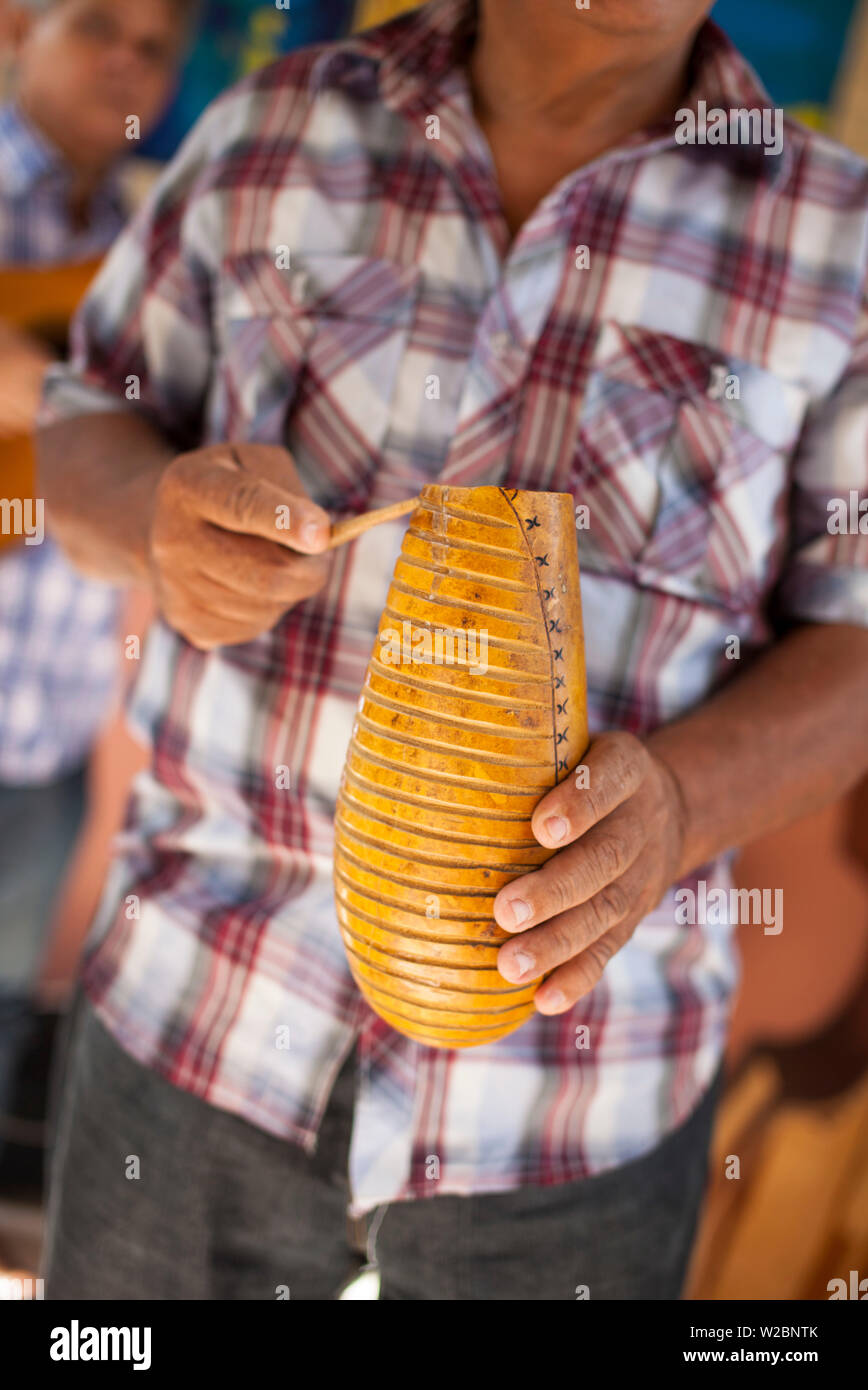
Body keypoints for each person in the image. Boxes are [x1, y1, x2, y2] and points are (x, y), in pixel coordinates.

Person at [36, 0, 868, 1300]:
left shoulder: (839, 238)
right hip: (195, 1013)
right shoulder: (276, 124)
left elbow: (857, 635)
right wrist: (153, 519)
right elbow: (83, 415)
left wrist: (683, 803)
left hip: (581, 1103)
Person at [0, 0, 196, 1193]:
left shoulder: (145, 238)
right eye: (98, 24)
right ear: (18, 26)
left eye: (157, 45)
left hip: (50, 745)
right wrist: (103, 426)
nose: (127, 57)